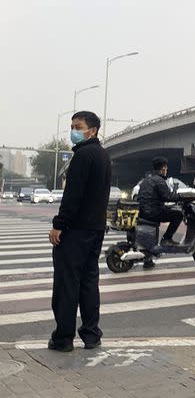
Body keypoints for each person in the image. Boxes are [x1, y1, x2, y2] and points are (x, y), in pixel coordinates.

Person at [48, 111, 111, 352]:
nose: (73, 130)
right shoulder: (103, 156)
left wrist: (58, 224)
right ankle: (91, 334)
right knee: (88, 282)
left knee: (67, 284)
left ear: (92, 130)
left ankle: (63, 338)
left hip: (75, 231)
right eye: (72, 126)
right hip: (95, 229)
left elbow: (72, 197)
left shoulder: (83, 155)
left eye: (78, 126)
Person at [137, 157, 184, 257]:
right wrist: (181, 197)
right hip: (153, 212)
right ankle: (167, 239)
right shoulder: (159, 180)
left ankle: (148, 258)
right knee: (178, 214)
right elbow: (167, 196)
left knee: (168, 210)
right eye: (166, 168)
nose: (166, 170)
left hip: (143, 211)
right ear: (163, 168)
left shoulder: (147, 179)